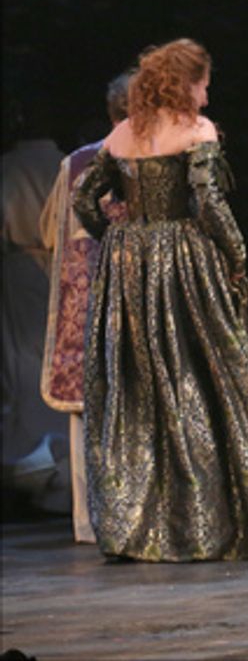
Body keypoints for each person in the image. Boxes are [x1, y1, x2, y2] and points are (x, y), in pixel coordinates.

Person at [72, 38, 248, 561]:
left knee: (141, 391)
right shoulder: (196, 131)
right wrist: (236, 255)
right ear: (185, 83)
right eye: (203, 84)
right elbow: (209, 204)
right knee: (205, 380)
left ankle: (137, 529)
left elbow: (84, 198)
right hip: (183, 264)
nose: (207, 96)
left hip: (129, 267)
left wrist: (117, 240)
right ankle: (208, 525)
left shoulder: (123, 133)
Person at [38, 71, 131, 542]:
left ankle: (88, 522)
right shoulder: (149, 157)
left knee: (86, 407)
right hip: (132, 292)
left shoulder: (75, 162)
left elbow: (49, 230)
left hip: (84, 295)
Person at [2, 94, 68, 516]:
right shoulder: (66, 164)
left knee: (23, 368)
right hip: (62, 269)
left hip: (21, 270)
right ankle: (53, 463)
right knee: (57, 362)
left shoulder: (8, 168)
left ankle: (30, 461)